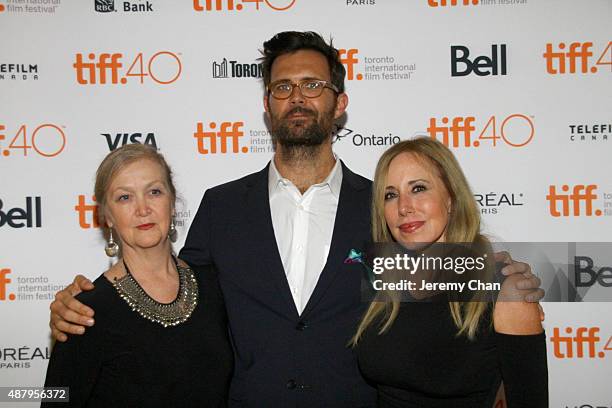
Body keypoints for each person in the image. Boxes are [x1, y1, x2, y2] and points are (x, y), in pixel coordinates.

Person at [47, 32, 543, 407]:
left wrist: (513, 274)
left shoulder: (383, 210)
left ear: (339, 103)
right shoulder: (222, 207)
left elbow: (449, 287)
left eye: (313, 84)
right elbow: (175, 296)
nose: (297, 96)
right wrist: (82, 304)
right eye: (282, 86)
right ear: (267, 105)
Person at [353, 138, 548, 407]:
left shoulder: (504, 287)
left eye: (418, 188)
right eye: (391, 195)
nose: (403, 207)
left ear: (451, 199)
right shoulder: (385, 281)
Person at [42, 144, 233, 407]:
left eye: (154, 192)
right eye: (124, 197)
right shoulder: (83, 313)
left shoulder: (216, 285)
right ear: (107, 217)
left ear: (173, 203)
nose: (143, 209)